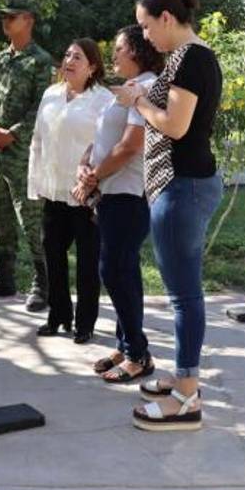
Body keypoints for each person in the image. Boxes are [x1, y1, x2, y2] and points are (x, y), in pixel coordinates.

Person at [113, 0, 223, 432]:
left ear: (165, 17)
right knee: (183, 292)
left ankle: (187, 396)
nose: (145, 37)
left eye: (145, 25)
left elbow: (175, 126)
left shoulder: (192, 58)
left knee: (183, 295)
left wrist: (136, 100)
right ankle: (182, 380)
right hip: (181, 186)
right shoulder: (188, 58)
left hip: (184, 187)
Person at [75, 26, 163, 381]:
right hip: (112, 191)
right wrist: (86, 165)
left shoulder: (145, 86)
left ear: (137, 51)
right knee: (125, 271)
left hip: (129, 193)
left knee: (113, 269)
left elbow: (130, 146)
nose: (113, 55)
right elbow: (103, 137)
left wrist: (93, 175)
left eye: (118, 49)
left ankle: (138, 354)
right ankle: (127, 344)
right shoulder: (127, 89)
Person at [0, 0, 55, 312]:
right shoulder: (1, 58)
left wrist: (12, 133)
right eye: (3, 16)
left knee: (30, 219)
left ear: (28, 20)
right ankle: (4, 278)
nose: (5, 21)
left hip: (23, 154)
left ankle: (43, 285)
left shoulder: (40, 61)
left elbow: (41, 108)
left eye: (12, 16)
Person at [28, 39, 112, 343]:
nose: (69, 61)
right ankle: (58, 315)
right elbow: (38, 139)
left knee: (88, 261)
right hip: (55, 190)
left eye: (78, 57)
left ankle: (85, 323)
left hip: (87, 193)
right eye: (66, 55)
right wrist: (35, 182)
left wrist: (93, 180)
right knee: (52, 254)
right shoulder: (50, 95)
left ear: (92, 67)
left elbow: (107, 146)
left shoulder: (103, 100)